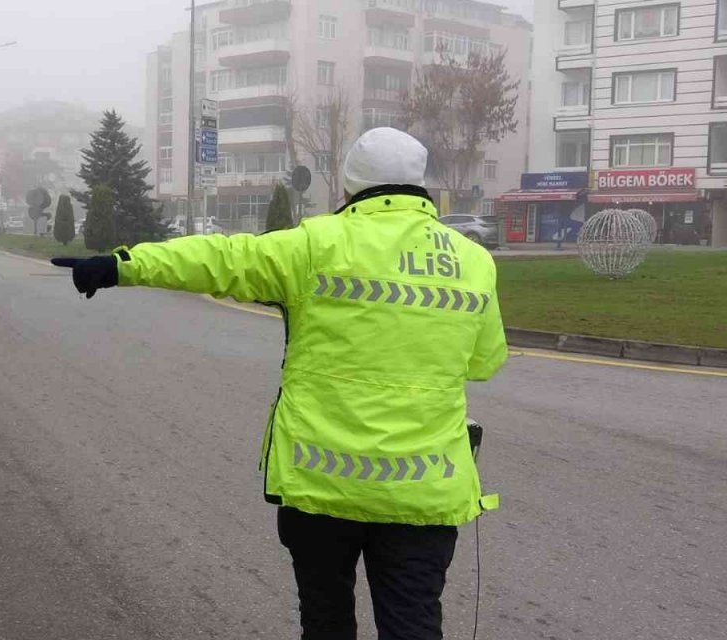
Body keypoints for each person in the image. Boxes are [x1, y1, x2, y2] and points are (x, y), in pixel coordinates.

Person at [52, 128, 507, 640]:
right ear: (420, 184)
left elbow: (220, 259)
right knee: (413, 627)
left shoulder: (314, 244)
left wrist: (120, 266)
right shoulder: (473, 261)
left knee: (326, 621)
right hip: (424, 492)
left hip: (322, 486)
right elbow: (484, 361)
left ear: (350, 186)